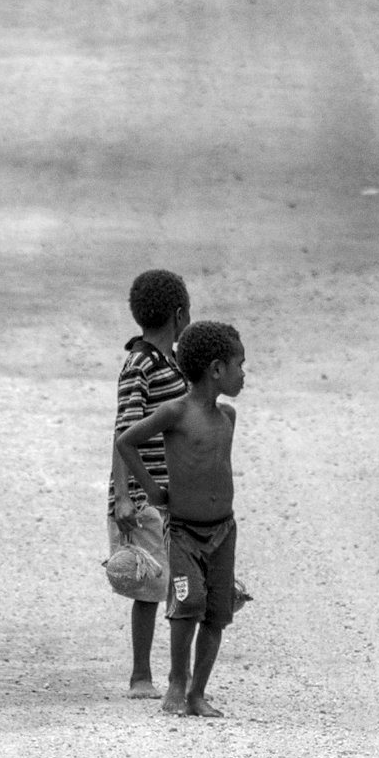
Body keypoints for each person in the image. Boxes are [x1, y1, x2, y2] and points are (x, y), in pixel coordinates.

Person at [114, 321, 246, 717]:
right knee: (187, 606)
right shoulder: (175, 412)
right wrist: (152, 492)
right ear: (216, 369)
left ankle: (198, 693)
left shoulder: (228, 417)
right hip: (186, 533)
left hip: (223, 531)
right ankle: (177, 681)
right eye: (240, 364)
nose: (244, 374)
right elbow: (126, 441)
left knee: (218, 613)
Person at [106, 270, 191, 698]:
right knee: (148, 586)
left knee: (176, 581)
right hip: (142, 495)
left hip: (171, 492)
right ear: (179, 315)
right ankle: (141, 675)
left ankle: (179, 676)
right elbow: (124, 429)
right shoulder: (139, 363)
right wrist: (124, 496)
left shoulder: (171, 362)